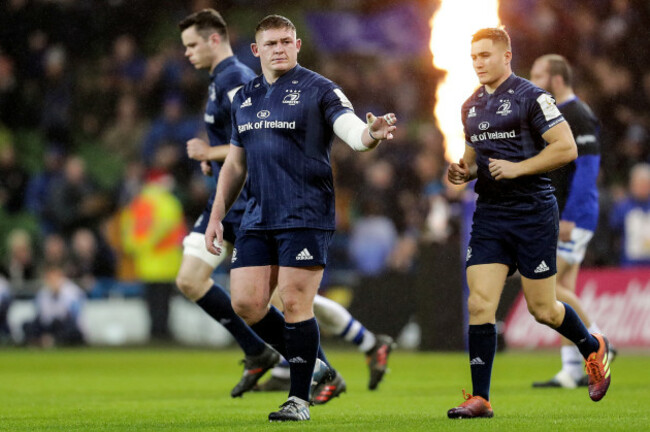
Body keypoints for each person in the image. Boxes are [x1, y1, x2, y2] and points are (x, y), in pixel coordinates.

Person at [204, 15, 397, 422]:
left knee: (294, 301)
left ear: (297, 46)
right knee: (247, 303)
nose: (279, 48)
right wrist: (217, 216)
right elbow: (235, 165)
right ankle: (316, 366)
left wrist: (371, 134)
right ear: (256, 51)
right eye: (271, 43)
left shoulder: (320, 89)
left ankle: (298, 399)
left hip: (305, 213)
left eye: (286, 41)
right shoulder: (245, 97)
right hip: (257, 215)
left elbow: (352, 133)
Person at [446, 28, 611, 419]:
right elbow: (473, 158)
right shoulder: (470, 106)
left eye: (485, 55)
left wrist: (518, 168)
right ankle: (481, 399)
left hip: (533, 213)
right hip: (490, 215)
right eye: (473, 57)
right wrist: (462, 172)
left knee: (544, 309)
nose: (478, 63)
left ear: (506, 56)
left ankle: (591, 347)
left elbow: (566, 148)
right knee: (480, 302)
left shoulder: (533, 97)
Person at [176, 8, 280, 397]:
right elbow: (235, 142)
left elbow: (258, 132)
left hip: (250, 202)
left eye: (191, 45)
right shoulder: (219, 79)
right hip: (227, 198)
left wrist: (210, 149)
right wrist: (213, 157)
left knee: (273, 299)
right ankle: (259, 351)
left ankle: (314, 366)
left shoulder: (235, 77)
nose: (187, 53)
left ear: (214, 39)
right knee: (191, 279)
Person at [529, 54, 613, 389]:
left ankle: (601, 342)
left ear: (557, 79)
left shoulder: (579, 114)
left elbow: (588, 171)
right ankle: (571, 371)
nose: (533, 81)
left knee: (550, 289)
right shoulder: (555, 114)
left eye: (538, 75)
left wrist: (570, 217)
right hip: (558, 213)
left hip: (573, 218)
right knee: (563, 292)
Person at [22, 263, 86, 347]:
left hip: (64, 324)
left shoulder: (73, 292)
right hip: (49, 325)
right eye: (50, 278)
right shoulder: (43, 293)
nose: (53, 281)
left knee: (72, 330)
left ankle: (52, 340)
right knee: (27, 325)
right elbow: (40, 316)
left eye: (55, 277)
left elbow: (73, 316)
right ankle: (43, 340)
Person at [610, 163, 650, 267]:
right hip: (630, 265)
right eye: (639, 184)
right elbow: (613, 230)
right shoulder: (622, 207)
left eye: (645, 184)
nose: (642, 188)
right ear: (632, 184)